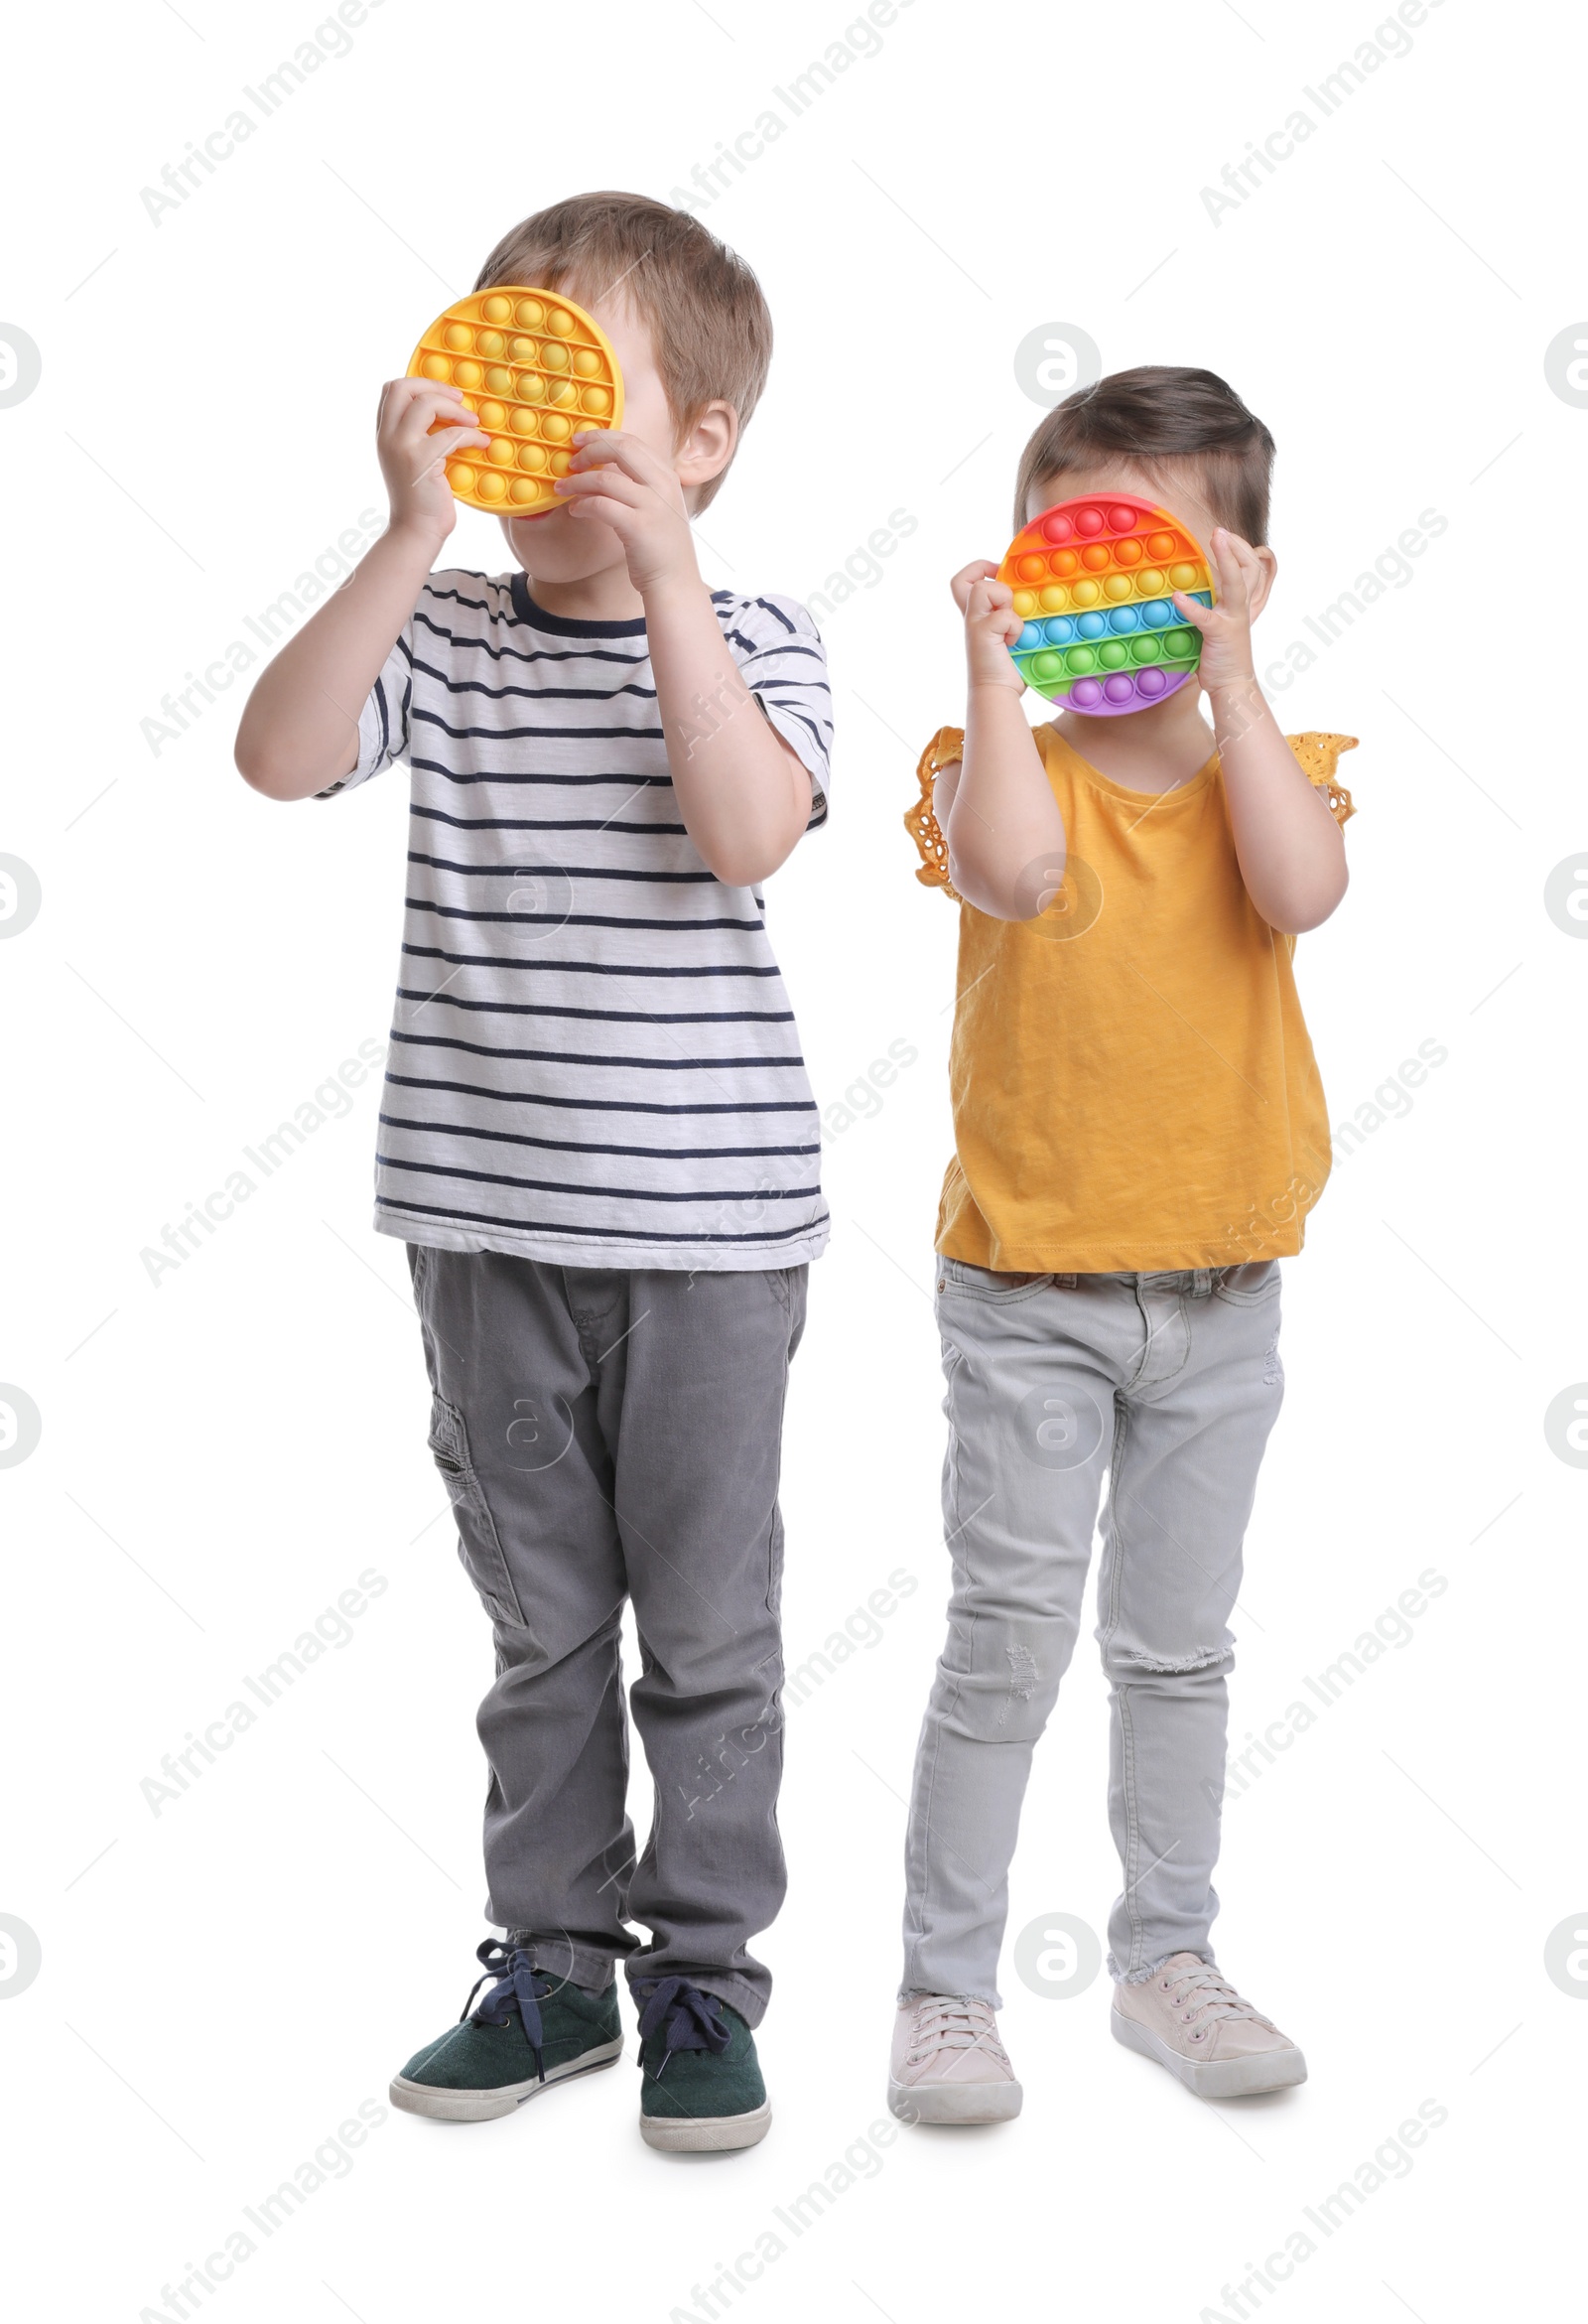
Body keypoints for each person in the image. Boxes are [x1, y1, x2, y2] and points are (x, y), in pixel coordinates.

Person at [235, 192, 832, 2152]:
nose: (533, 429)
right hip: (486, 1229)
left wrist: (666, 581)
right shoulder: (453, 634)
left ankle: (703, 1982)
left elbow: (745, 834)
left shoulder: (755, 634)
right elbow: (277, 755)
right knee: (542, 1620)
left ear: (700, 441)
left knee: (712, 1625)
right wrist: (408, 533)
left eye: (582, 389)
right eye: (501, 373)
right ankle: (552, 1964)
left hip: (709, 1237)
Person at [890, 366, 1357, 2121]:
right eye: (1083, 541)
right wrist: (1000, 673)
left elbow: (1301, 892)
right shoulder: (1004, 767)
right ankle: (947, 1989)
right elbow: (1011, 876)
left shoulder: (1270, 770)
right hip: (1032, 1289)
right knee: (1007, 1636)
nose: (1120, 583)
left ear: (1246, 572)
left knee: (1179, 1647)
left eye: (1169, 555)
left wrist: (1231, 671)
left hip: (1223, 1286)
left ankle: (1168, 1953)